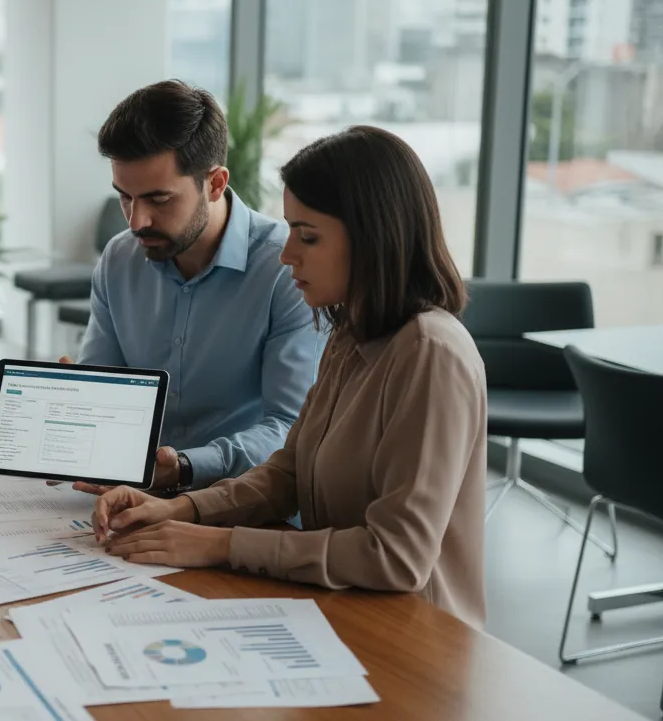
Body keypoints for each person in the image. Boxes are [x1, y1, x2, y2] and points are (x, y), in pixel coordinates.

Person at [90, 126, 488, 628]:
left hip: (415, 632)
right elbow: (289, 474)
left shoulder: (431, 353)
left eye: (309, 236)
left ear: (372, 236)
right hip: (339, 607)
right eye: (290, 230)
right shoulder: (351, 335)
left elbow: (397, 557)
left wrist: (220, 544)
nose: (286, 254)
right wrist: (182, 511)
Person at [66, 80, 319, 493]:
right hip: (131, 497)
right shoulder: (118, 259)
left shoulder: (285, 270)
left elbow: (291, 429)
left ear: (215, 183)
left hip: (243, 506)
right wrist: (76, 411)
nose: (136, 222)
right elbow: (106, 393)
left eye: (158, 200)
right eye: (124, 197)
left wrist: (183, 467)